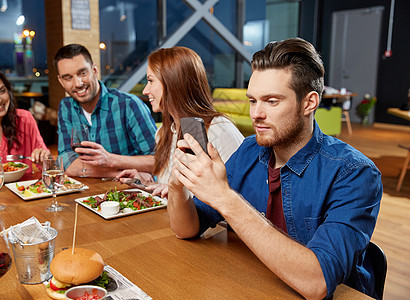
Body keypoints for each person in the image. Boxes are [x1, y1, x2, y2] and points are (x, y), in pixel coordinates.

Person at [168, 38, 382, 299]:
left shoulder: (355, 173)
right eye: (252, 101)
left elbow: (317, 283)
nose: (256, 114)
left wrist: (225, 198)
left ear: (309, 103)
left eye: (271, 101)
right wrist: (177, 185)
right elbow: (186, 228)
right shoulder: (248, 151)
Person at [116, 47, 244, 197]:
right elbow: (169, 190)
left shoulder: (219, 130)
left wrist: (178, 195)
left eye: (151, 81)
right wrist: (146, 184)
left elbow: (239, 197)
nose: (145, 90)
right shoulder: (164, 133)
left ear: (173, 82)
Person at [54, 44, 157, 178]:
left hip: (132, 192)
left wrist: (110, 159)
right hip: (91, 192)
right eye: (68, 78)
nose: (78, 83)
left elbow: (157, 161)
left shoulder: (128, 104)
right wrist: (119, 173)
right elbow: (66, 162)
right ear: (61, 81)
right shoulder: (66, 107)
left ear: (95, 70)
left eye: (83, 73)